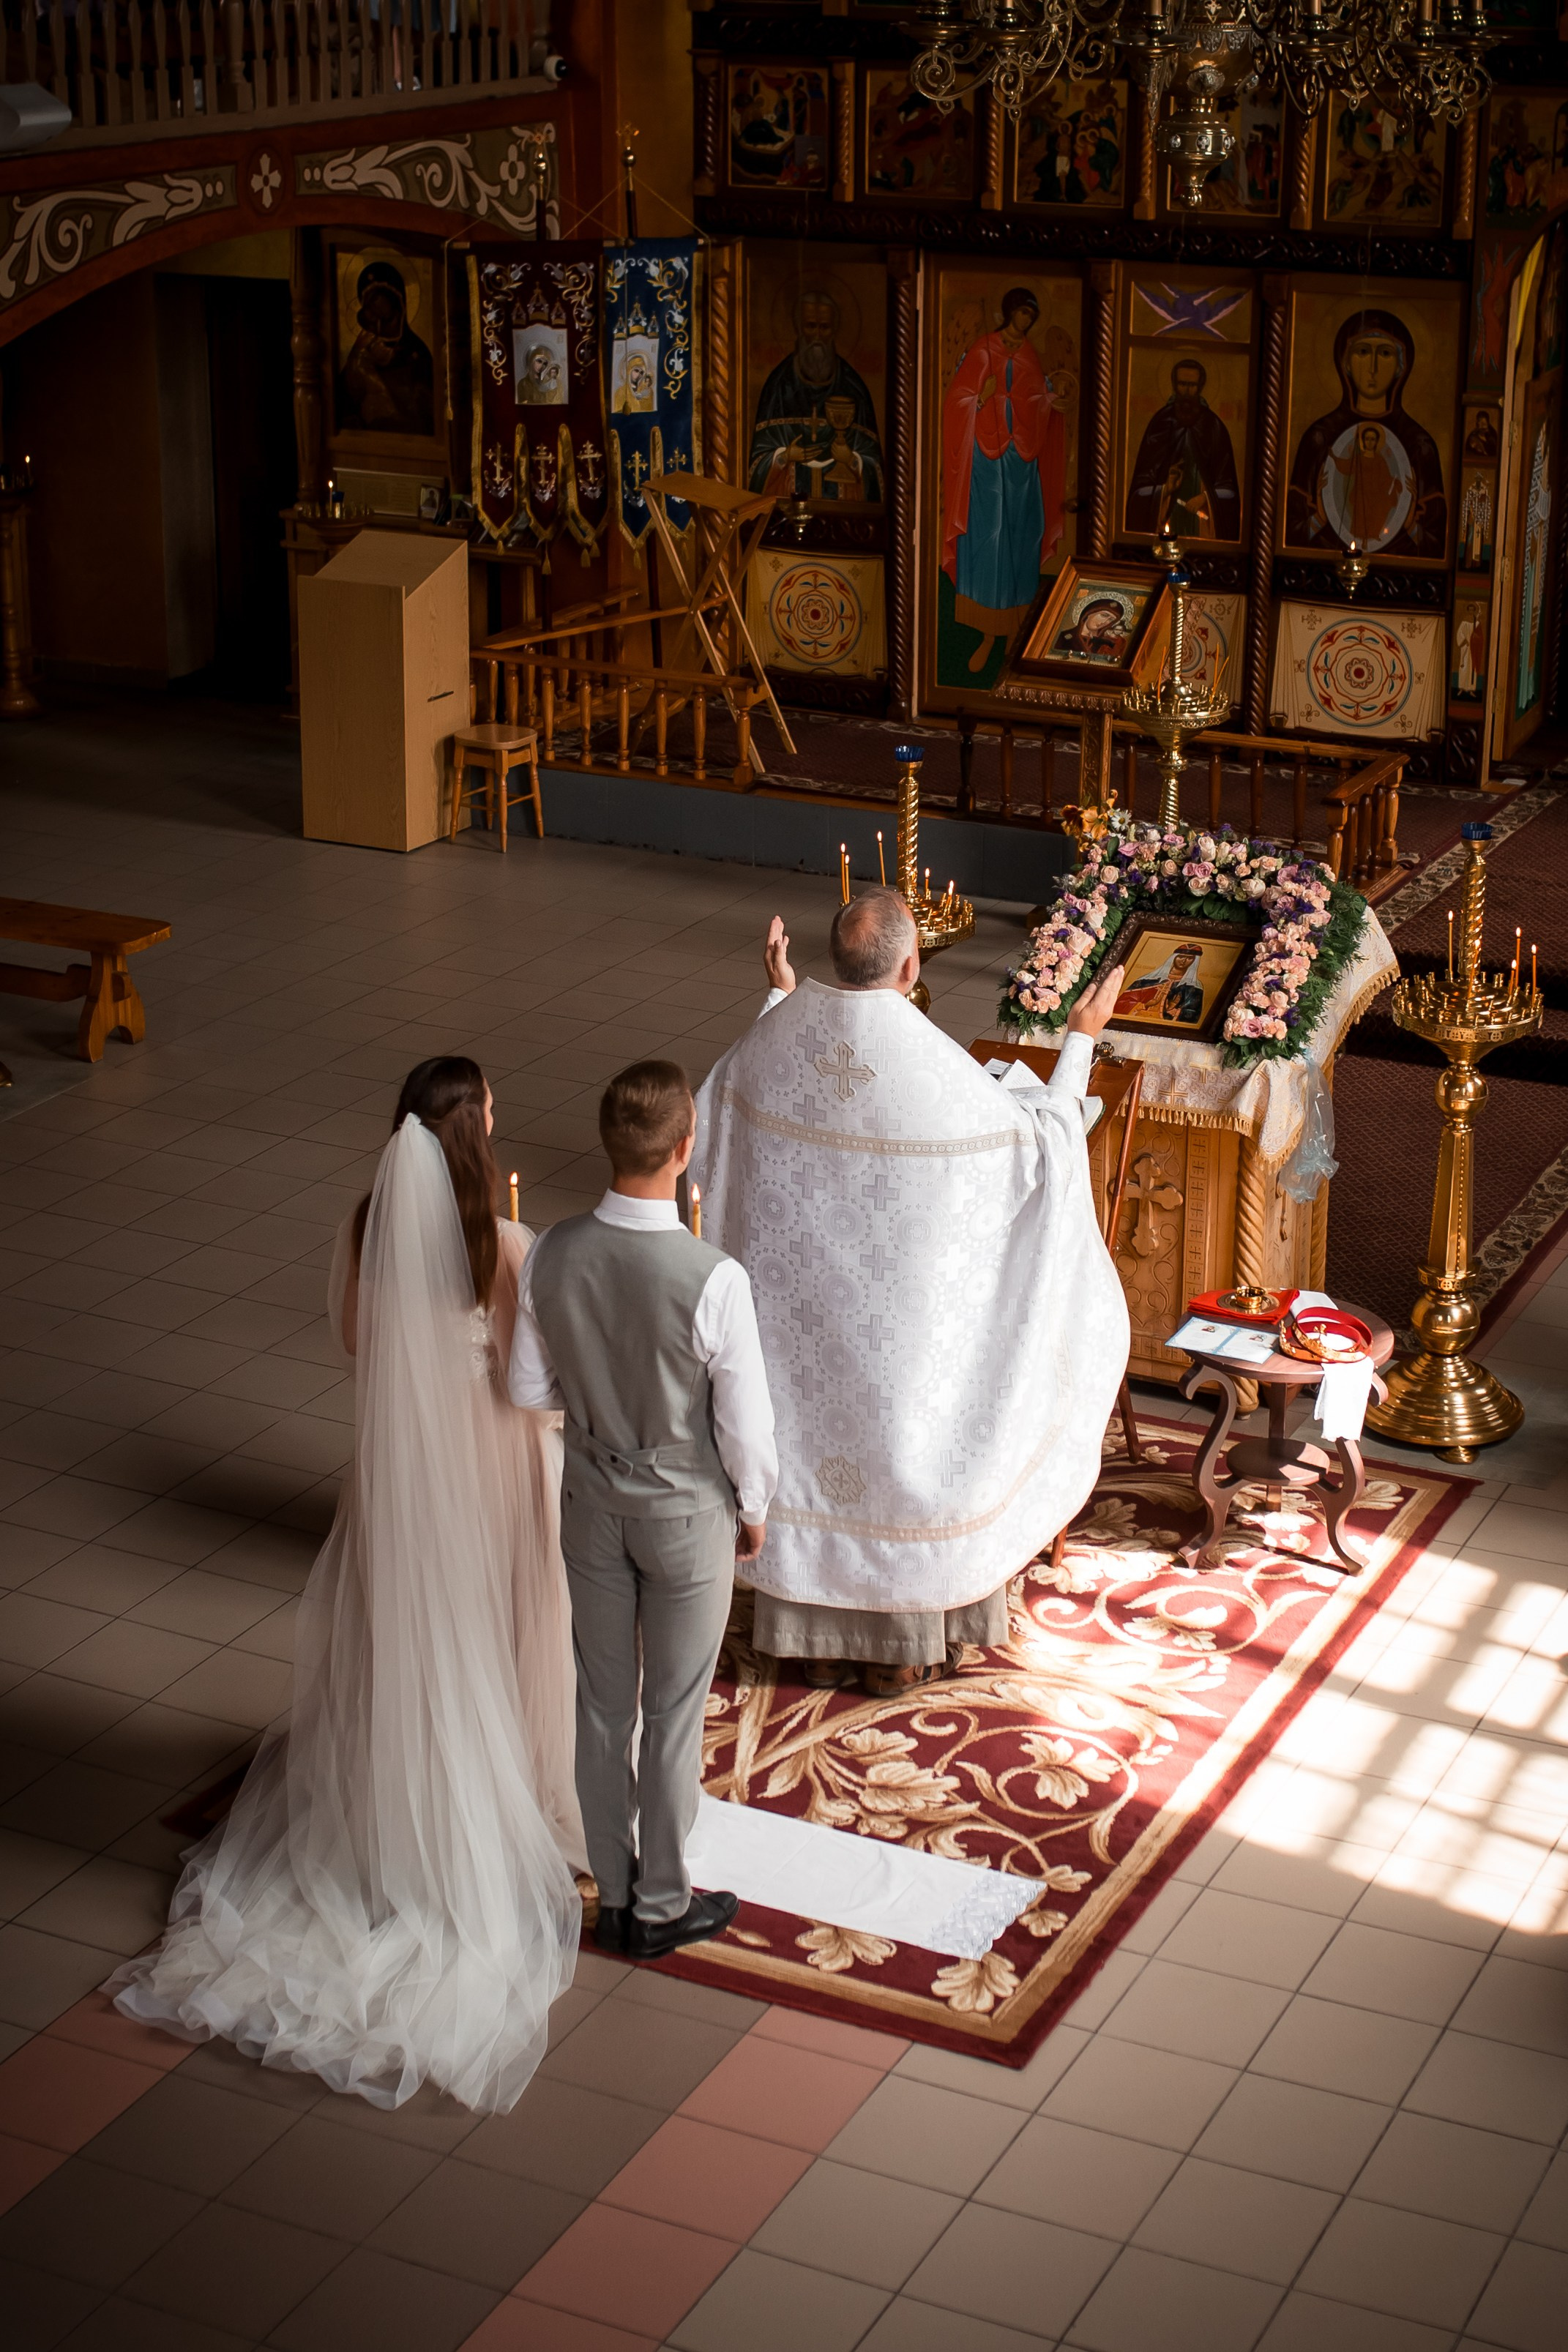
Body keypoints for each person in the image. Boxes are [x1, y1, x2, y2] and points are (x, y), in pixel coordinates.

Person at [111, 1060, 583, 2113]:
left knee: (403, 1633)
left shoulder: (368, 1229)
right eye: (494, 1108)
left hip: (399, 1482)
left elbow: (352, 1342)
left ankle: (390, 1803)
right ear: (473, 1137)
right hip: (491, 1473)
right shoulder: (504, 1249)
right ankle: (516, 1797)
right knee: (505, 1620)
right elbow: (530, 1381)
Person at [690, 893, 1128, 1696]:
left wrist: (780, 999)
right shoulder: (938, 1074)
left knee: (805, 1440)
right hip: (904, 1348)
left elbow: (714, 1121)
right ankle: (908, 1641)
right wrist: (1080, 1043)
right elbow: (1041, 1151)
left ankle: (804, 1637)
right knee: (916, 1436)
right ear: (911, 966)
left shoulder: (772, 1044)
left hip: (802, 1338)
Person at [509, 1062, 778, 1961]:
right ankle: (662, 1906)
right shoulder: (713, 1277)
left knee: (598, 1704)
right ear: (685, 1146)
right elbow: (745, 1424)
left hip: (589, 1502)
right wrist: (755, 1508)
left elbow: (526, 1387)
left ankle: (613, 1893)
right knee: (671, 1710)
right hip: (684, 1514)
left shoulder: (550, 1251)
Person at [941, 285, 1067, 673]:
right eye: (1022, 313)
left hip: (1022, 460)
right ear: (1010, 312)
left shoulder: (1029, 354)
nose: (1026, 321)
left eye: (1032, 316)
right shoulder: (983, 349)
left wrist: (1051, 400)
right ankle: (987, 634)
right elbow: (956, 401)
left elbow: (1036, 399)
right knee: (988, 538)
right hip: (984, 457)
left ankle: (1016, 630)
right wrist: (981, 398)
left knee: (1021, 535)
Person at [1286, 308, 1446, 556]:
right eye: (1363, 352)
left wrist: (1410, 525)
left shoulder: (1419, 445)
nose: (1372, 367)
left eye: (1385, 353)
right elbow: (1292, 533)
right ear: (1346, 362)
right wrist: (1319, 518)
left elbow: (1435, 543)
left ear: (1401, 365)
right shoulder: (1319, 438)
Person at [1125, 359, 1242, 542]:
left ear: (1200, 386)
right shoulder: (1160, 424)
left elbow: (1229, 490)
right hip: (1167, 516)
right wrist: (1164, 490)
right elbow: (1139, 491)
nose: (1187, 391)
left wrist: (1205, 498)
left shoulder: (1214, 427)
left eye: (1192, 385)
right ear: (1174, 385)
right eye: (1182, 384)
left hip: (1203, 523)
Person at [336, 260, 436, 436]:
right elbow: (343, 401)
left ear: (395, 297)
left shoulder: (417, 351)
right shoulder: (363, 347)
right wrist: (359, 363)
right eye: (367, 302)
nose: (372, 307)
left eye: (376, 297)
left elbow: (427, 406)